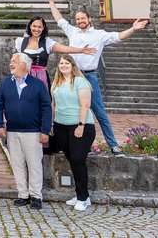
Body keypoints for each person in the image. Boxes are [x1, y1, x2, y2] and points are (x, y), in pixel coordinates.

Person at [47, 0, 148, 155]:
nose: (79, 21)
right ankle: (62, 144)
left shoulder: (99, 35)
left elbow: (118, 37)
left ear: (89, 18)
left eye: (82, 18)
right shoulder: (73, 31)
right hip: (70, 77)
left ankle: (113, 144)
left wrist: (133, 29)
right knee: (62, 109)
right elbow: (59, 19)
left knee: (99, 112)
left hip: (88, 77)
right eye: (77, 19)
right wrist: (51, 1)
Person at [0, 52, 52, 211]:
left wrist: (45, 130)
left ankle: (36, 196)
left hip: (33, 132)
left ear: (24, 65)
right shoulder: (5, 83)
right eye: (10, 61)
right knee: (17, 164)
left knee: (34, 165)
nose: (10, 64)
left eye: (14, 61)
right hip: (12, 131)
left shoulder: (38, 84)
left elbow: (46, 108)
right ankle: (23, 194)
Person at [51, 54, 96, 211]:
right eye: (61, 63)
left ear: (72, 65)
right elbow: (53, 105)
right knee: (73, 161)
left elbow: (85, 105)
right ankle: (81, 195)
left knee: (78, 160)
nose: (63, 65)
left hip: (80, 127)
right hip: (61, 126)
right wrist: (51, 123)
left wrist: (81, 125)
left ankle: (83, 198)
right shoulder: (56, 83)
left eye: (66, 63)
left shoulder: (80, 81)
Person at [14, 13, 97, 88]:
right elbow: (15, 60)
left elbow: (64, 48)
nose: (36, 29)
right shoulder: (20, 41)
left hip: (40, 77)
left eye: (39, 27)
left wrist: (81, 50)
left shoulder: (47, 42)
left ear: (43, 28)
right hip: (23, 76)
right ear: (30, 26)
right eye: (34, 26)